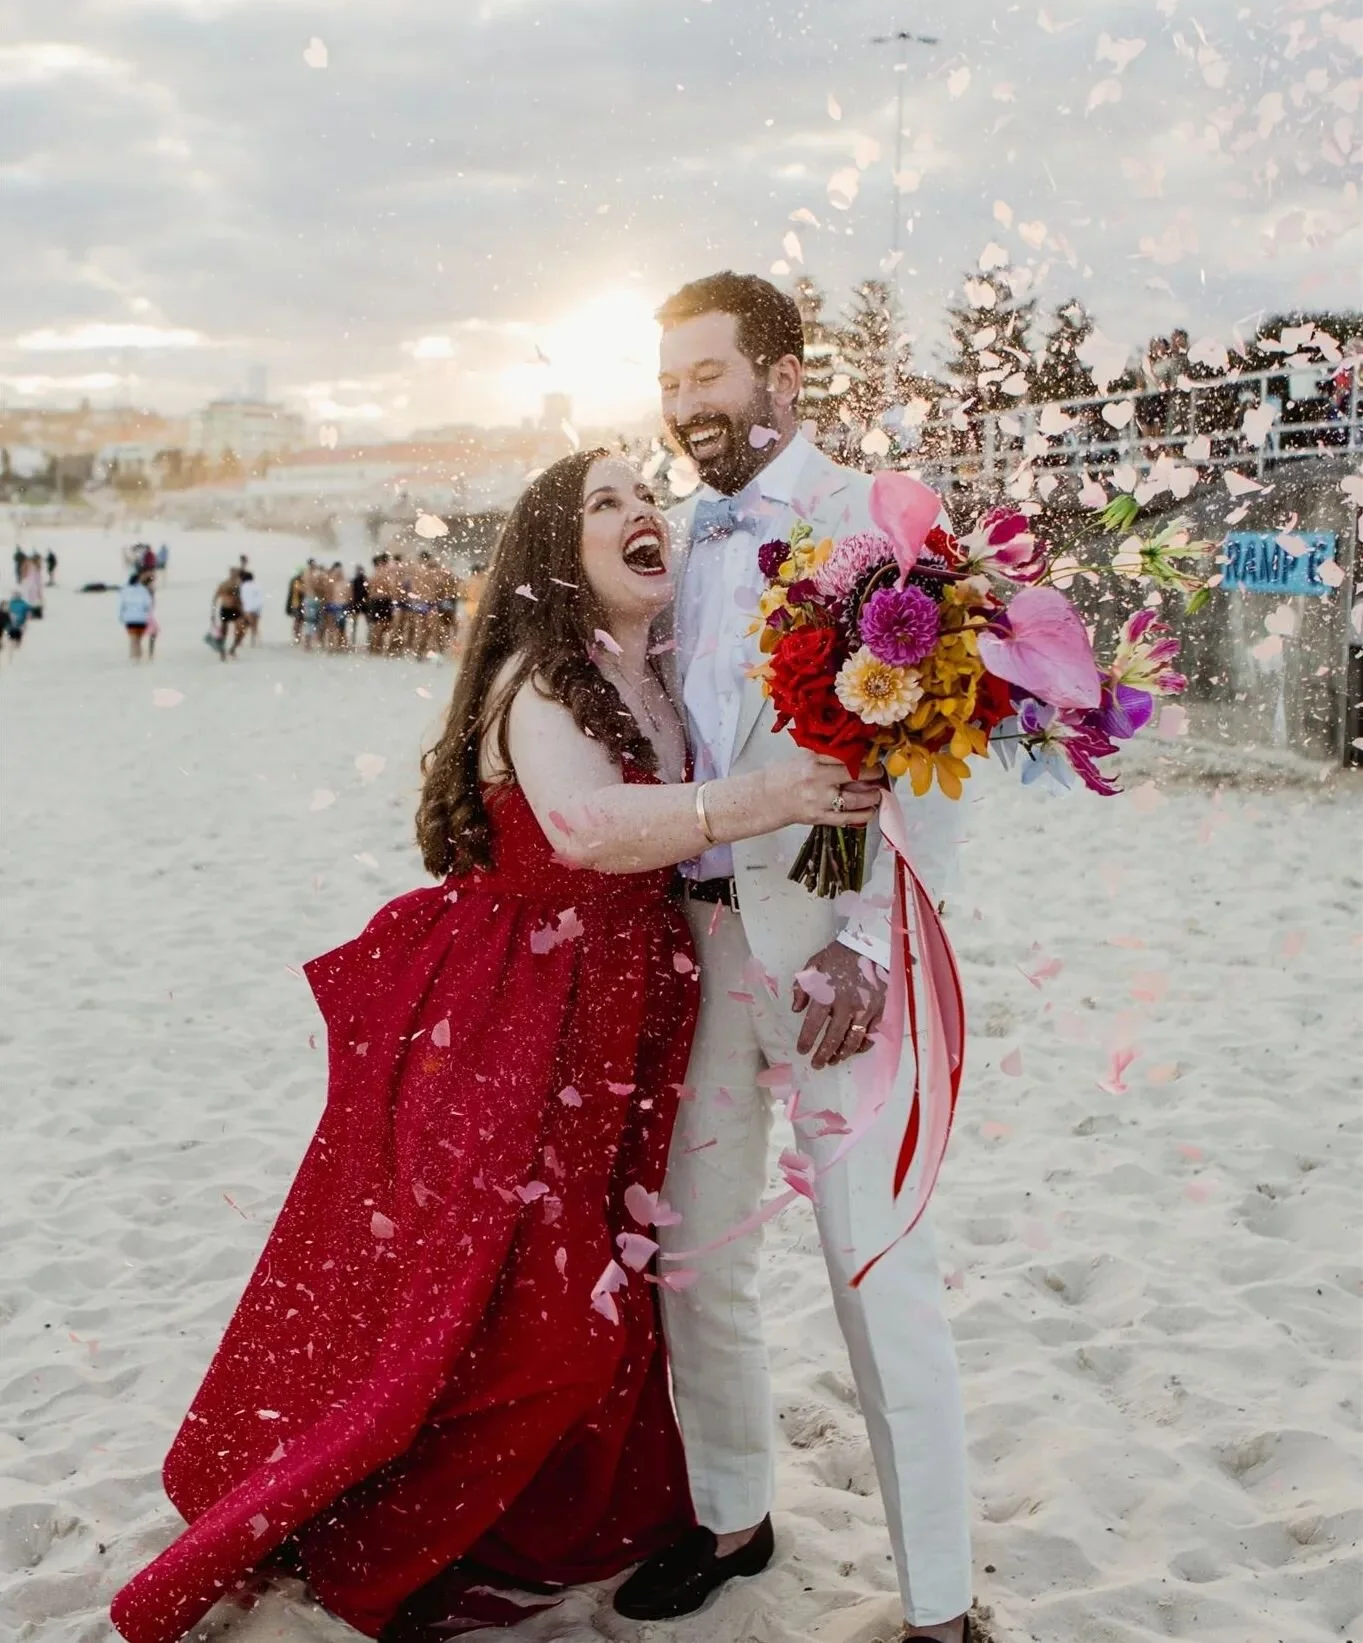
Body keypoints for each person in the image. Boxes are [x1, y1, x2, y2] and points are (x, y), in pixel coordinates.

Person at [109, 449, 874, 1643]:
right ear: (552, 557)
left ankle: (550, 1508)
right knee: (504, 1299)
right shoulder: (544, 678)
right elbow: (581, 826)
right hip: (520, 1016)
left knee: (592, 1284)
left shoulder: (665, 672)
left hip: (624, 1011)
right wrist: (769, 800)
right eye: (603, 504)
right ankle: (384, 1518)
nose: (638, 516)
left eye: (643, 498)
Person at [612, 274, 974, 1642]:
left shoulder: (869, 523)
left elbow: (930, 753)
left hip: (829, 955)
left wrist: (871, 941)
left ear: (781, 375)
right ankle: (730, 1514)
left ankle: (936, 1600)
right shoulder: (660, 542)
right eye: (669, 380)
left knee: (873, 1264)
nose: (684, 402)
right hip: (689, 946)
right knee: (693, 1253)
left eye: (707, 373)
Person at [118, 569, 155, 661]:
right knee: (138, 640)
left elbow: (121, 606)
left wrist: (121, 617)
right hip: (142, 619)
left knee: (132, 640)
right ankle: (139, 658)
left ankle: (134, 658)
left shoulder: (124, 591)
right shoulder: (144, 591)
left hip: (130, 619)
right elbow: (148, 604)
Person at [239, 568, 263, 645]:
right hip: (257, 608)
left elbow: (243, 598)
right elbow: (260, 597)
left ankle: (241, 641)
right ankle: (255, 640)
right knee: (255, 625)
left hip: (248, 608)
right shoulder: (257, 586)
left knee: (245, 625)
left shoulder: (243, 586)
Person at [350, 562, 370, 650]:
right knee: (362, 623)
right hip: (361, 603)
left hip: (359, 603)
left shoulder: (356, 580)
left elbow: (351, 593)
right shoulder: (363, 580)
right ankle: (356, 639)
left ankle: (355, 639)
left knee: (358, 623)